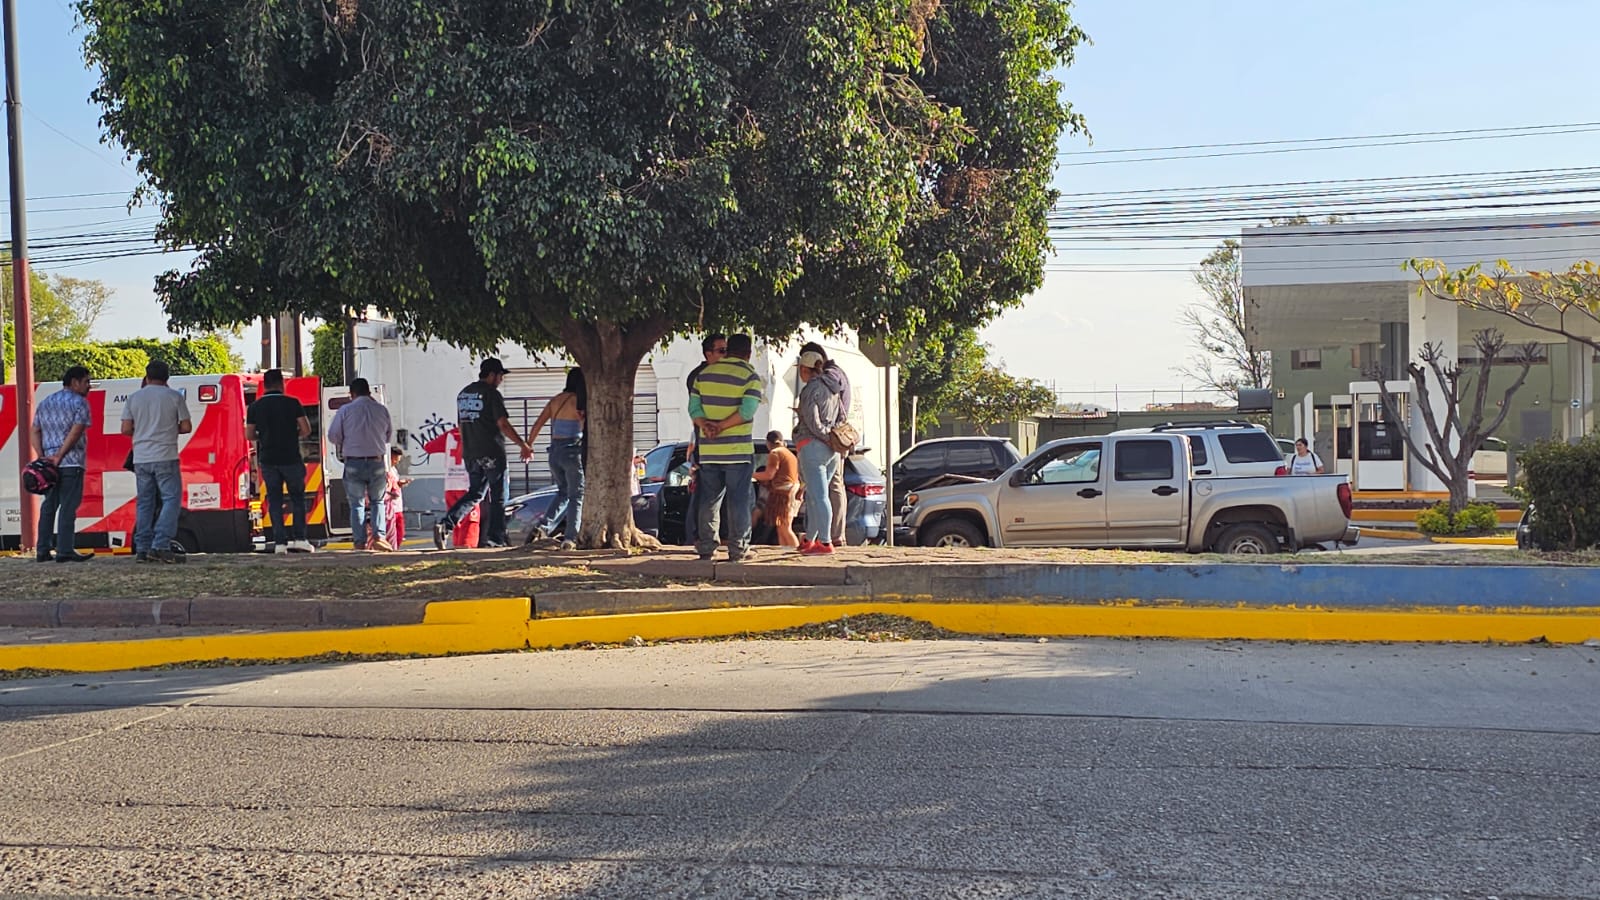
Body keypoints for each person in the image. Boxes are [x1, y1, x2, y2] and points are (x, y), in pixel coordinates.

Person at [433, 358, 534, 551]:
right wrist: (523, 445)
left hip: (471, 453)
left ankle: (446, 524)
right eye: (500, 376)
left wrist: (468, 448)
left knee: (475, 493)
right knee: (498, 497)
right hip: (492, 453)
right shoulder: (491, 394)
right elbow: (502, 424)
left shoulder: (463, 394)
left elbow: (461, 425)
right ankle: (495, 539)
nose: (501, 380)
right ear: (491, 375)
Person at [689, 333, 764, 562]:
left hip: (710, 451)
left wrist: (707, 427)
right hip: (737, 452)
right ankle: (738, 549)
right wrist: (721, 426)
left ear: (728, 350)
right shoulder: (750, 376)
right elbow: (747, 411)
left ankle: (706, 547)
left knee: (709, 500)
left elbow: (694, 409)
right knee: (739, 500)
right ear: (748, 354)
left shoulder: (704, 375)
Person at [121, 360, 193, 563]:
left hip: (141, 458)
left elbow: (126, 429)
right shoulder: (174, 396)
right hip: (166, 456)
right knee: (171, 500)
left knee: (145, 503)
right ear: (167, 378)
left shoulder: (134, 398)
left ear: (146, 376)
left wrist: (143, 431)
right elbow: (186, 427)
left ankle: (142, 548)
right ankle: (160, 543)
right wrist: (170, 429)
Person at [247, 368, 315, 554]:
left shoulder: (255, 407)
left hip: (268, 459)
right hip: (291, 457)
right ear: (281, 384)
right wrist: (293, 435)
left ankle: (279, 543)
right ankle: (300, 539)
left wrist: (264, 438)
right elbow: (306, 429)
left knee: (274, 500)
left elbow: (249, 434)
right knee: (297, 498)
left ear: (265, 385)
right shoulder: (292, 403)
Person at [31, 365, 94, 563]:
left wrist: (43, 456)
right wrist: (60, 455)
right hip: (71, 462)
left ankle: (42, 549)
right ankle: (65, 549)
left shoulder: (46, 402)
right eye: (86, 382)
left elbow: (34, 431)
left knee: (49, 505)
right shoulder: (80, 403)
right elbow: (76, 431)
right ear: (75, 382)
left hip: (48, 465)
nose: (89, 386)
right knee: (68, 506)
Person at [327, 377, 395, 551]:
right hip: (376, 462)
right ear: (369, 392)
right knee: (377, 501)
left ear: (352, 394)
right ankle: (379, 536)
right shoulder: (382, 410)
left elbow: (333, 436)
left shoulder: (345, 410)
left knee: (356, 504)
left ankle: (360, 542)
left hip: (353, 463)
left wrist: (346, 440)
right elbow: (388, 436)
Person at [526, 368, 587, 550]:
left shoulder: (555, 400)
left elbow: (538, 424)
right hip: (572, 450)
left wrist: (528, 446)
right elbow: (584, 428)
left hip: (554, 452)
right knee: (576, 495)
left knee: (562, 492)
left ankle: (543, 527)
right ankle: (570, 538)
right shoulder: (579, 402)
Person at [793, 349, 846, 555]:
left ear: (805, 369)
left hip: (812, 445)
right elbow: (841, 416)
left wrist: (820, 434)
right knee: (816, 496)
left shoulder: (810, 390)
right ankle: (809, 539)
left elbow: (812, 420)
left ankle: (824, 542)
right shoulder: (833, 388)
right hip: (832, 449)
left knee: (818, 496)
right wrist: (831, 438)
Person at [683, 334, 726, 547]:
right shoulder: (699, 376)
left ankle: (710, 535)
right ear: (708, 353)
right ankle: (700, 536)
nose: (725, 355)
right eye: (721, 351)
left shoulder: (723, 373)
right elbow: (696, 410)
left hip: (722, 441)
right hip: (706, 441)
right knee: (705, 491)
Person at [754, 430, 800, 548]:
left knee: (785, 527)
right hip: (791, 490)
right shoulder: (789, 453)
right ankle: (785, 552)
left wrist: (751, 474)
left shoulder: (775, 453)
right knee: (781, 527)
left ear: (768, 443)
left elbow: (769, 475)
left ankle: (795, 551)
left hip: (784, 493)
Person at [384, 446, 412, 547]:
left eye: (398, 460)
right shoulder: (386, 471)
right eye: (395, 459)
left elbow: (394, 484)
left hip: (398, 506)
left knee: (400, 532)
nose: (396, 462)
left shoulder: (393, 469)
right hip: (390, 507)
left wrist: (399, 483)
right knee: (393, 533)